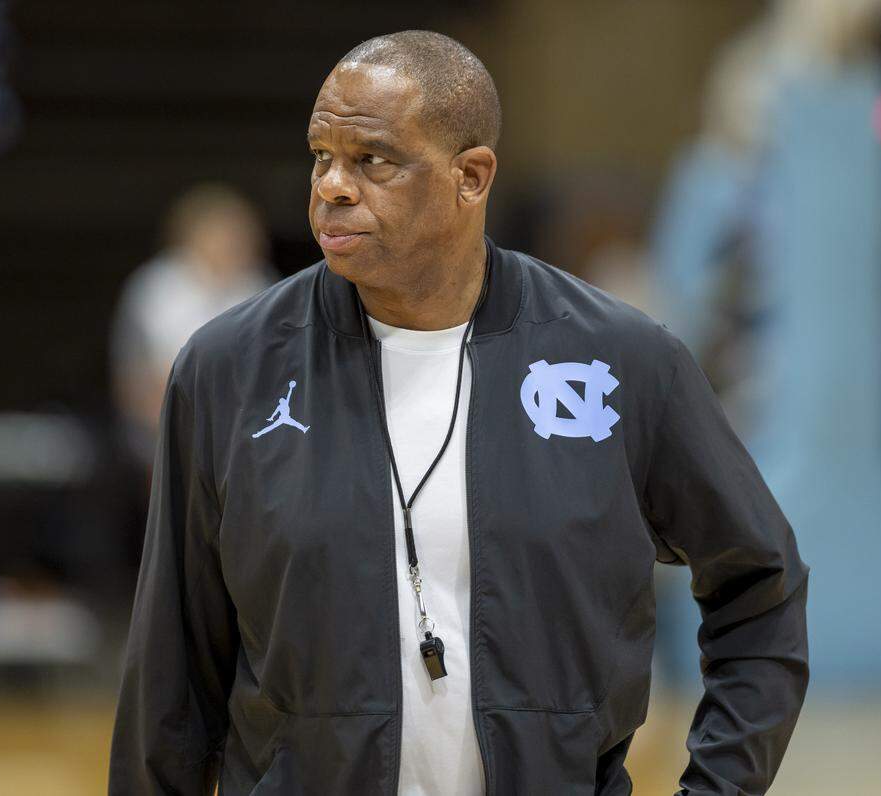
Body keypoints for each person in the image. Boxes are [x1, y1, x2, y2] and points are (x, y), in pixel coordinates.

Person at [109, 30, 809, 796]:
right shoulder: (227, 372)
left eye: (372, 161)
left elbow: (759, 589)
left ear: (470, 178)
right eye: (321, 156)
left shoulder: (624, 364)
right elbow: (170, 685)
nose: (332, 187)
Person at [109, 182, 278, 465]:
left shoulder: (262, 288)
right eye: (220, 234)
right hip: (165, 424)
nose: (229, 243)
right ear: (191, 235)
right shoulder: (157, 287)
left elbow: (276, 373)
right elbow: (134, 378)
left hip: (245, 429)